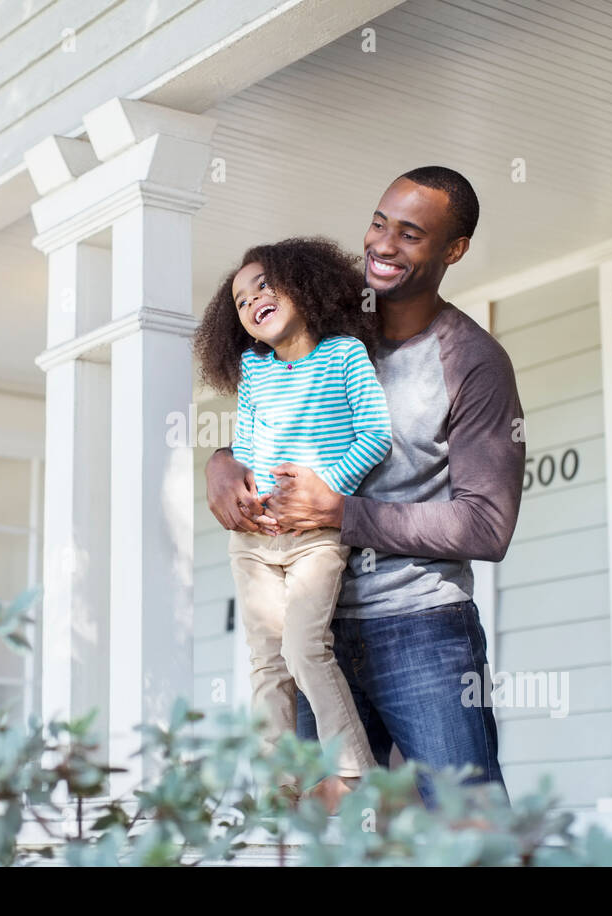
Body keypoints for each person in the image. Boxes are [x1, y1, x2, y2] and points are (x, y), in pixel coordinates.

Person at [204, 168, 525, 810]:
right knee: (325, 831)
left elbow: (487, 526)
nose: (383, 244)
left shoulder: (472, 361)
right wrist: (220, 462)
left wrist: (344, 512)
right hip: (310, 625)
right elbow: (273, 420)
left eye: (411, 234)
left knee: (466, 829)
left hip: (419, 628)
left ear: (453, 250)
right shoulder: (321, 321)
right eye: (380, 223)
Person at [193, 237, 392, 814]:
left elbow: (375, 435)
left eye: (264, 285)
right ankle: (275, 793)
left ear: (304, 288)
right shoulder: (255, 370)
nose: (252, 299)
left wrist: (325, 489)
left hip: (315, 536)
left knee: (306, 649)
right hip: (255, 540)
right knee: (266, 662)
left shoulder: (345, 356)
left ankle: (356, 775)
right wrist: (248, 498)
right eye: (239, 300)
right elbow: (249, 446)